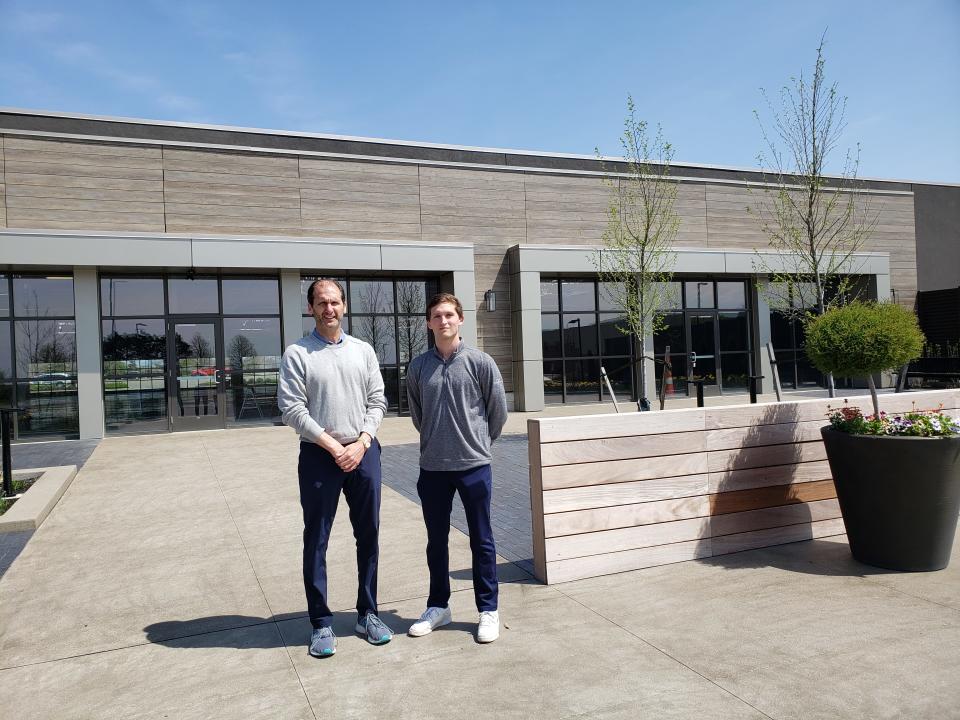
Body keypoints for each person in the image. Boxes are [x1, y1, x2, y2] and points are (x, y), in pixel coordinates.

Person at [278, 278, 392, 658]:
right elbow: (292, 409)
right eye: (321, 302)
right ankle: (321, 622)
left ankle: (368, 613)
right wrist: (332, 446)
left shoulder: (363, 350)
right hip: (318, 456)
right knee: (317, 538)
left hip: (364, 454)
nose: (329, 308)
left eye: (335, 302)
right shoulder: (298, 354)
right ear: (311, 308)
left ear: (344, 306)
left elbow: (378, 401)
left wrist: (361, 443)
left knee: (369, 534)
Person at [405, 292, 508, 643]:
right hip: (433, 468)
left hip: (474, 466)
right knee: (437, 541)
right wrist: (438, 441)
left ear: (460, 319)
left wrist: (478, 443)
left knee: (482, 540)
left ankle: (488, 610)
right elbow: (419, 415)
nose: (443, 320)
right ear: (429, 323)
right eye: (437, 316)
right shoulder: (418, 367)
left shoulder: (480, 363)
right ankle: (439, 607)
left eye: (449, 314)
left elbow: (498, 412)